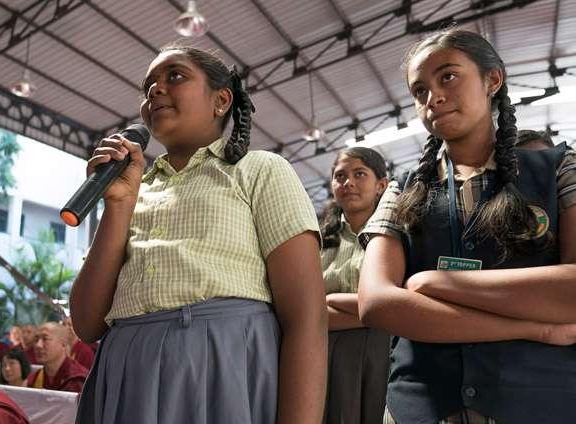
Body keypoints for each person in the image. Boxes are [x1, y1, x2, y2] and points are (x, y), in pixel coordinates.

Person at [70, 44, 328, 424]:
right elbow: (87, 323)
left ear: (221, 100)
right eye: (148, 86)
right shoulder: (132, 190)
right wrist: (119, 205)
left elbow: (307, 317)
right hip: (128, 374)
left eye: (174, 76)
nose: (155, 90)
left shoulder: (258, 170)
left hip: (225, 367)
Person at [358, 28, 576, 424]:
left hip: (538, 403)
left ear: (493, 80)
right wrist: (534, 327)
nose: (433, 97)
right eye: (419, 90)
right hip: (422, 408)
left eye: (448, 76)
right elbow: (375, 303)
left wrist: (436, 284)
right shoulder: (401, 191)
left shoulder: (559, 169)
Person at [320, 147, 390, 423]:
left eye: (359, 174)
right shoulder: (317, 242)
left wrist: (332, 301)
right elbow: (311, 315)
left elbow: (402, 302)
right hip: (327, 352)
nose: (348, 182)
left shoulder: (399, 236)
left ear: (381, 184)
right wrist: (379, 314)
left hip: (384, 351)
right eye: (340, 176)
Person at [26, 322, 88, 392]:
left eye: (45, 339)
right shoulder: (34, 379)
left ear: (63, 345)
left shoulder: (78, 380)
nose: (38, 345)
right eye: (36, 340)